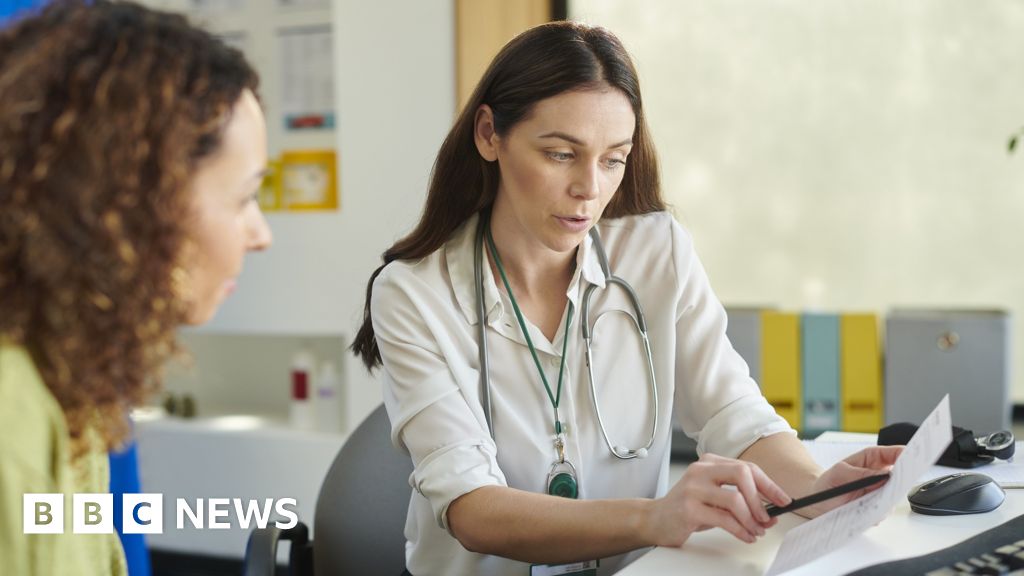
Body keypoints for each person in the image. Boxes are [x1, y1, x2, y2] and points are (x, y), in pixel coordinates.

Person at [352, 20, 902, 576]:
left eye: (613, 158)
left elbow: (733, 412)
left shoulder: (656, 251)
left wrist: (816, 489)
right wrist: (654, 517)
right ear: (489, 134)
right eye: (561, 154)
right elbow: (472, 509)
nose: (589, 189)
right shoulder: (413, 293)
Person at [0, 2, 272, 574]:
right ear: (136, 204)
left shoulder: (73, 380)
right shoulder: (12, 408)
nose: (260, 235)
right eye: (244, 197)